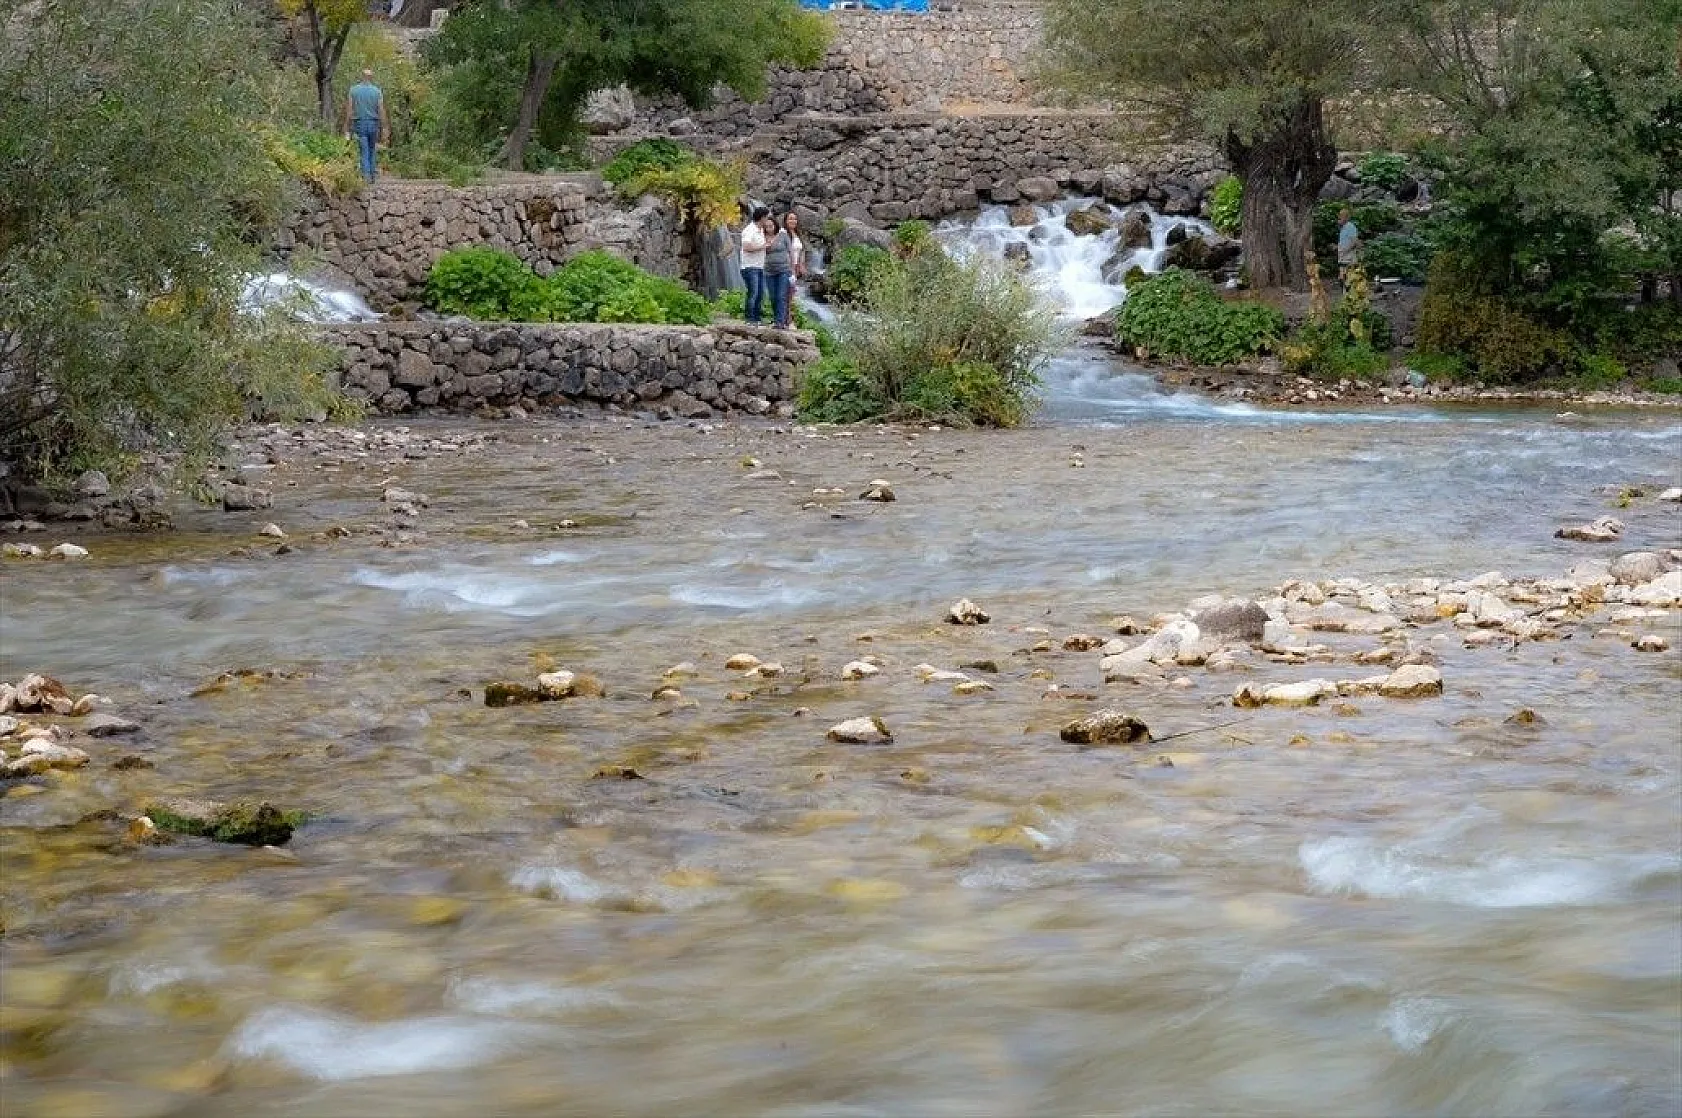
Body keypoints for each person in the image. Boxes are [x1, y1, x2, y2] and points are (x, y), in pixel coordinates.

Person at [341, 70, 389, 184]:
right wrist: (384, 126)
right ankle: (372, 175)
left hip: (360, 123)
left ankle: (365, 175)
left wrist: (346, 125)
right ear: (371, 77)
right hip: (373, 123)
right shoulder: (377, 91)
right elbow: (381, 110)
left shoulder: (354, 90)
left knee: (363, 149)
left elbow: (350, 110)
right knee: (372, 148)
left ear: (362, 76)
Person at [739, 207, 770, 324]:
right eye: (767, 217)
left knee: (760, 293)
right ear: (762, 218)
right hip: (749, 267)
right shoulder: (749, 230)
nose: (768, 220)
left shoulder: (760, 230)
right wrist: (762, 247)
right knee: (753, 293)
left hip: (759, 266)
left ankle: (757, 318)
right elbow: (746, 247)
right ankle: (749, 318)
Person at [764, 214, 794, 329]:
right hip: (769, 271)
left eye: (771, 226)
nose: (769, 228)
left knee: (781, 296)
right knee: (772, 296)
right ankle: (776, 318)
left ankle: (780, 322)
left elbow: (790, 252)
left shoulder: (783, 235)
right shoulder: (762, 237)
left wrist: (792, 269)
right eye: (766, 226)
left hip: (783, 270)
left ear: (775, 225)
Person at [781, 212, 806, 325]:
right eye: (790, 219)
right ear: (785, 221)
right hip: (786, 267)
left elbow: (800, 250)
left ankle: (788, 319)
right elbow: (783, 251)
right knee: (786, 293)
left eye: (795, 219)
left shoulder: (796, 234)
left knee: (791, 294)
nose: (793, 221)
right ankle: (785, 319)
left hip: (794, 268)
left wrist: (801, 265)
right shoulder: (783, 233)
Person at [1336, 207, 1361, 280]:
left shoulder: (1350, 226)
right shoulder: (1343, 227)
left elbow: (1354, 241)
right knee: (1342, 276)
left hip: (1348, 256)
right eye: (1339, 215)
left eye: (1341, 215)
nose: (1339, 217)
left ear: (1346, 217)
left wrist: (1346, 250)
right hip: (1343, 255)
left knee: (1348, 276)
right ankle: (1345, 290)